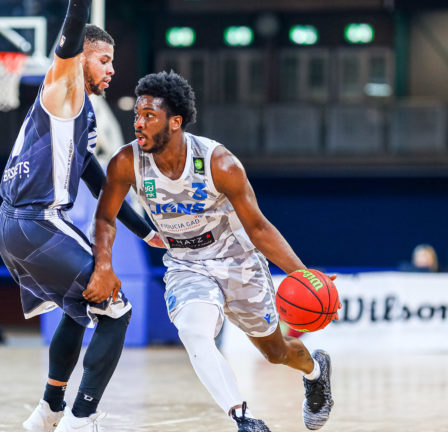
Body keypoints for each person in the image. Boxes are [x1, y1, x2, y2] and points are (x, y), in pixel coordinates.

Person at [88, 71, 335, 432]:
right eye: (136, 116)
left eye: (149, 117)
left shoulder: (220, 163)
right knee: (194, 331)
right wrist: (104, 265)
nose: (138, 124)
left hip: (239, 262)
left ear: (175, 122)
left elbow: (259, 227)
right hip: (187, 265)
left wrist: (302, 273)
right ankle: (244, 419)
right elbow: (105, 217)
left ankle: (315, 372)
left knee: (275, 352)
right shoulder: (127, 162)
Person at [0, 2, 163, 430]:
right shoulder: (62, 87)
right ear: (81, 57)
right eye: (103, 60)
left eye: (112, 62)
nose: (110, 70)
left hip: (12, 226)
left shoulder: (80, 115)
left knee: (79, 309)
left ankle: (49, 410)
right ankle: (81, 418)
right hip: (36, 223)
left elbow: (99, 183)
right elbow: (69, 35)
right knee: (117, 310)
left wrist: (145, 232)